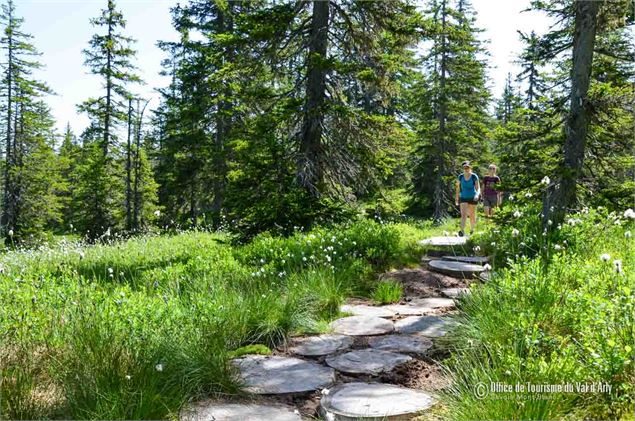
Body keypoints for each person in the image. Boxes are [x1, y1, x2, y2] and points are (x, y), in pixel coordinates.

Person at [455, 161, 480, 237]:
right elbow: (458, 188)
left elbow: (478, 188)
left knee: (472, 215)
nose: (466, 169)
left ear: (470, 168)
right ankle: (462, 231)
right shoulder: (460, 177)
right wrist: (456, 198)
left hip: (473, 197)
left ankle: (472, 230)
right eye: (465, 167)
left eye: (467, 167)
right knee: (463, 215)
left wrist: (477, 195)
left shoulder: (474, 176)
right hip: (463, 197)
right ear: (463, 168)